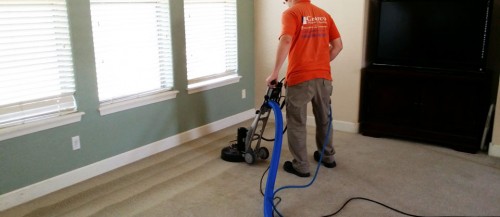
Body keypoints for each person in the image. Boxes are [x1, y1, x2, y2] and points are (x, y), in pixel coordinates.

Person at [266, 0, 343, 177]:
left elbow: (286, 40)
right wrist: (319, 63)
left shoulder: (291, 13)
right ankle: (328, 156)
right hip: (324, 78)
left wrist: (274, 73)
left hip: (300, 79)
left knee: (297, 122)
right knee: (324, 118)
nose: (284, 3)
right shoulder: (324, 14)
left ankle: (301, 165)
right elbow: (338, 46)